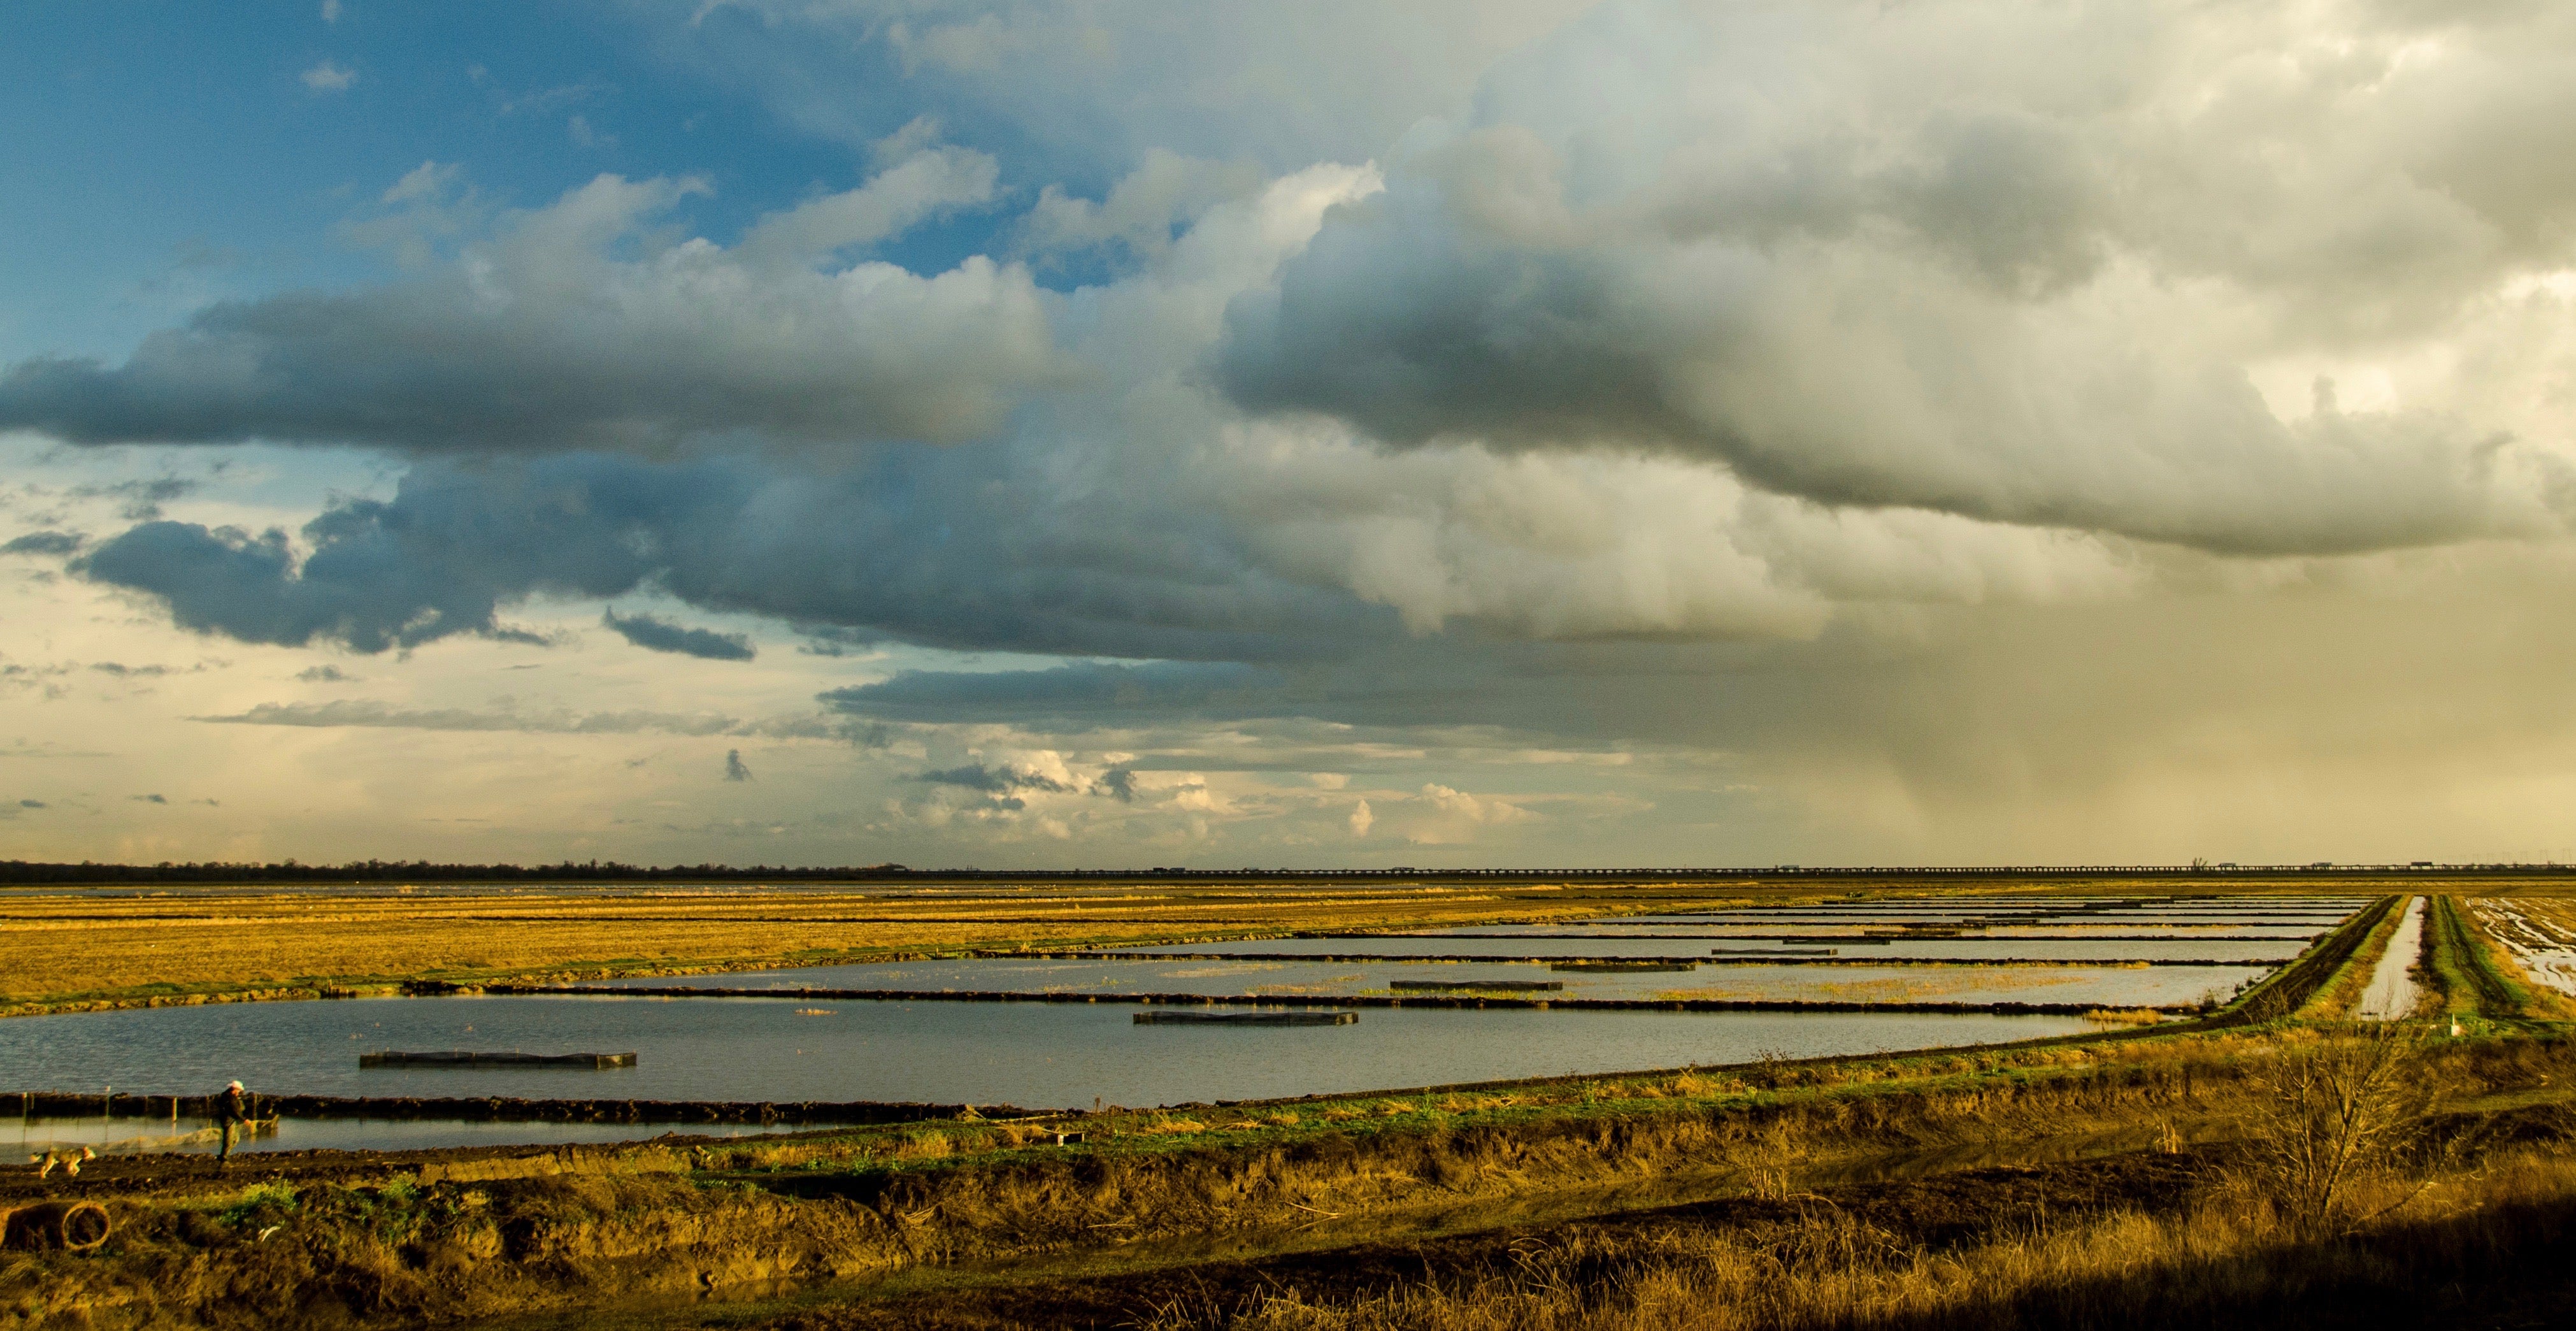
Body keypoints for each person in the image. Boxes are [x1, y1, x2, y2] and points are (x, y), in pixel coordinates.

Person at [214, 1079, 249, 1167]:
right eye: (238, 1091)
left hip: (230, 1120)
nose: (239, 1093)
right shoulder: (230, 1098)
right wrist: (244, 1119)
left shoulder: (227, 1096)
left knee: (235, 1139)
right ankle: (224, 1160)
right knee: (229, 1141)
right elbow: (235, 1110)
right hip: (228, 1121)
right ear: (234, 1089)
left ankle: (223, 1156)